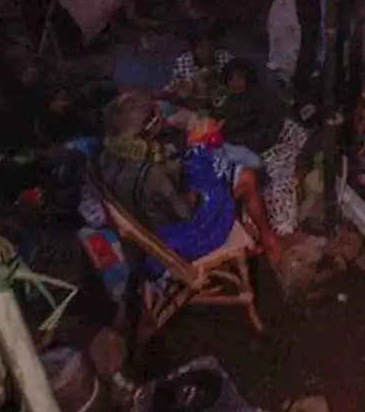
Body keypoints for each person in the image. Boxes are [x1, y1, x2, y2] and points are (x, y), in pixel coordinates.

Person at [98, 89, 282, 264]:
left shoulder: (109, 158)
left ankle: (249, 227)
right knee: (247, 178)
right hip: (181, 238)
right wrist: (205, 173)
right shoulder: (152, 175)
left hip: (148, 230)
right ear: (150, 126)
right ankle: (268, 238)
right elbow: (186, 212)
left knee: (220, 165)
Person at [168, 26, 235, 100]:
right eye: (208, 47)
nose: (212, 49)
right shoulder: (182, 61)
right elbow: (180, 92)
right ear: (197, 49)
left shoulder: (224, 57)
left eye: (213, 46)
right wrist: (198, 77)